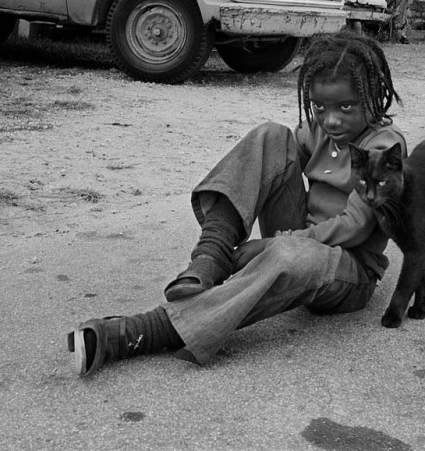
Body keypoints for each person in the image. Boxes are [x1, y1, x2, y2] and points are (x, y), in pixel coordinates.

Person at [67, 31, 407, 376]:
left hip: (348, 271)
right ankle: (211, 256)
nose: (331, 120)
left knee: (288, 254)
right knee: (272, 135)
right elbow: (279, 161)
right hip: (300, 238)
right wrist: (279, 230)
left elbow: (355, 226)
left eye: (345, 107)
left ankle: (144, 331)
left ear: (371, 95)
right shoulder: (320, 131)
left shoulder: (382, 145)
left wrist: (273, 243)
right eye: (320, 106)